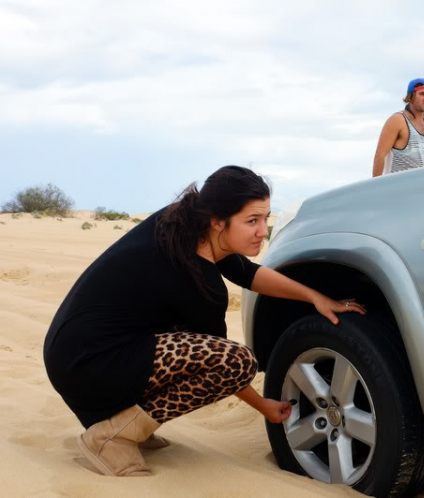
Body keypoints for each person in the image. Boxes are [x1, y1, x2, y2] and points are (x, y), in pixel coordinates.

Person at [43, 165, 366, 477]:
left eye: (266, 217)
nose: (262, 231)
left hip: (71, 349)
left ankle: (123, 421)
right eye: (251, 220)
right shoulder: (198, 279)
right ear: (216, 221)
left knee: (191, 344)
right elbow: (222, 364)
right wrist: (264, 406)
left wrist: (315, 297)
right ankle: (114, 436)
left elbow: (248, 273)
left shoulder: (181, 221)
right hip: (90, 365)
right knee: (237, 361)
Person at [372, 77, 424, 176]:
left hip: (420, 189)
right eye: (422, 94)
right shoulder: (398, 120)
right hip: (396, 188)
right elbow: (379, 156)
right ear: (411, 97)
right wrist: (375, 189)